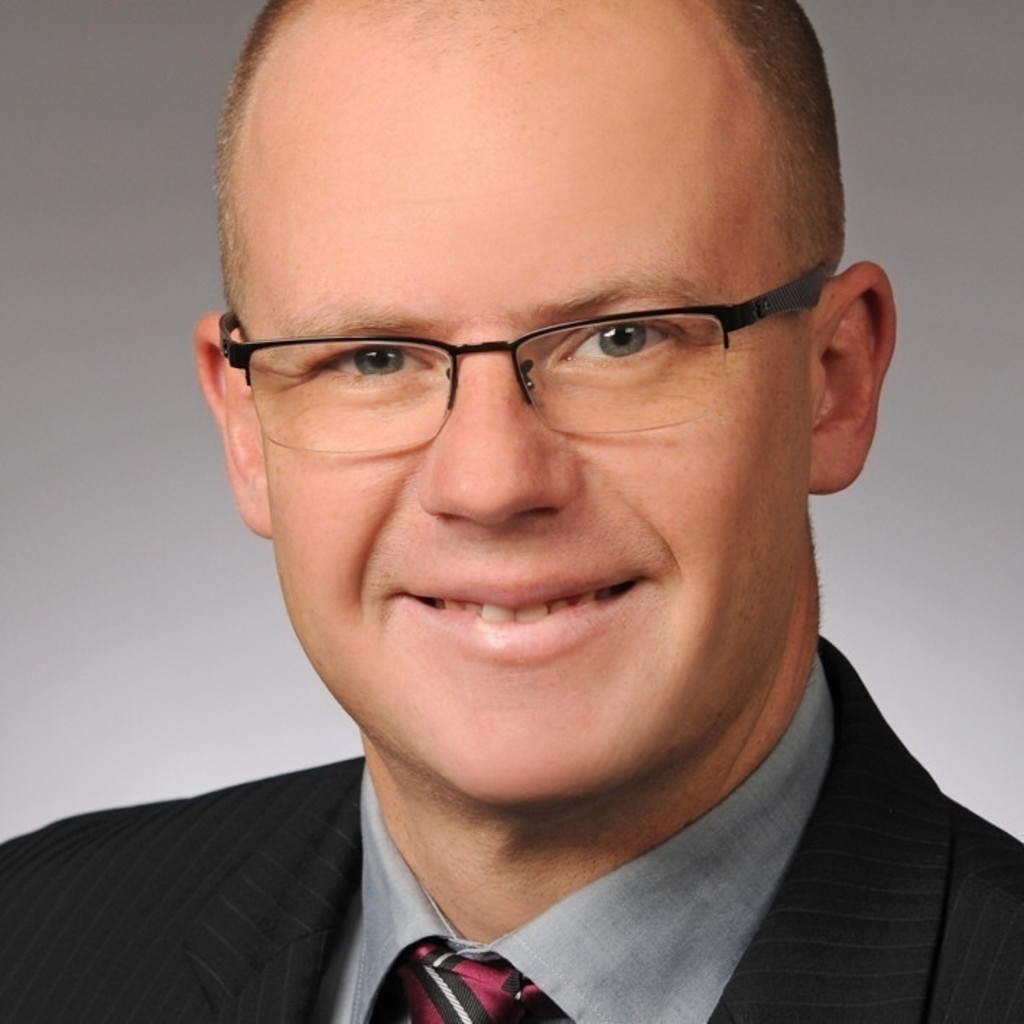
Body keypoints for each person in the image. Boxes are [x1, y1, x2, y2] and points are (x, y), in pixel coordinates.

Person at [1, 0, 1021, 1021]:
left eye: (621, 339)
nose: (490, 483)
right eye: (373, 358)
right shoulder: (29, 944)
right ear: (245, 426)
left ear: (834, 381)